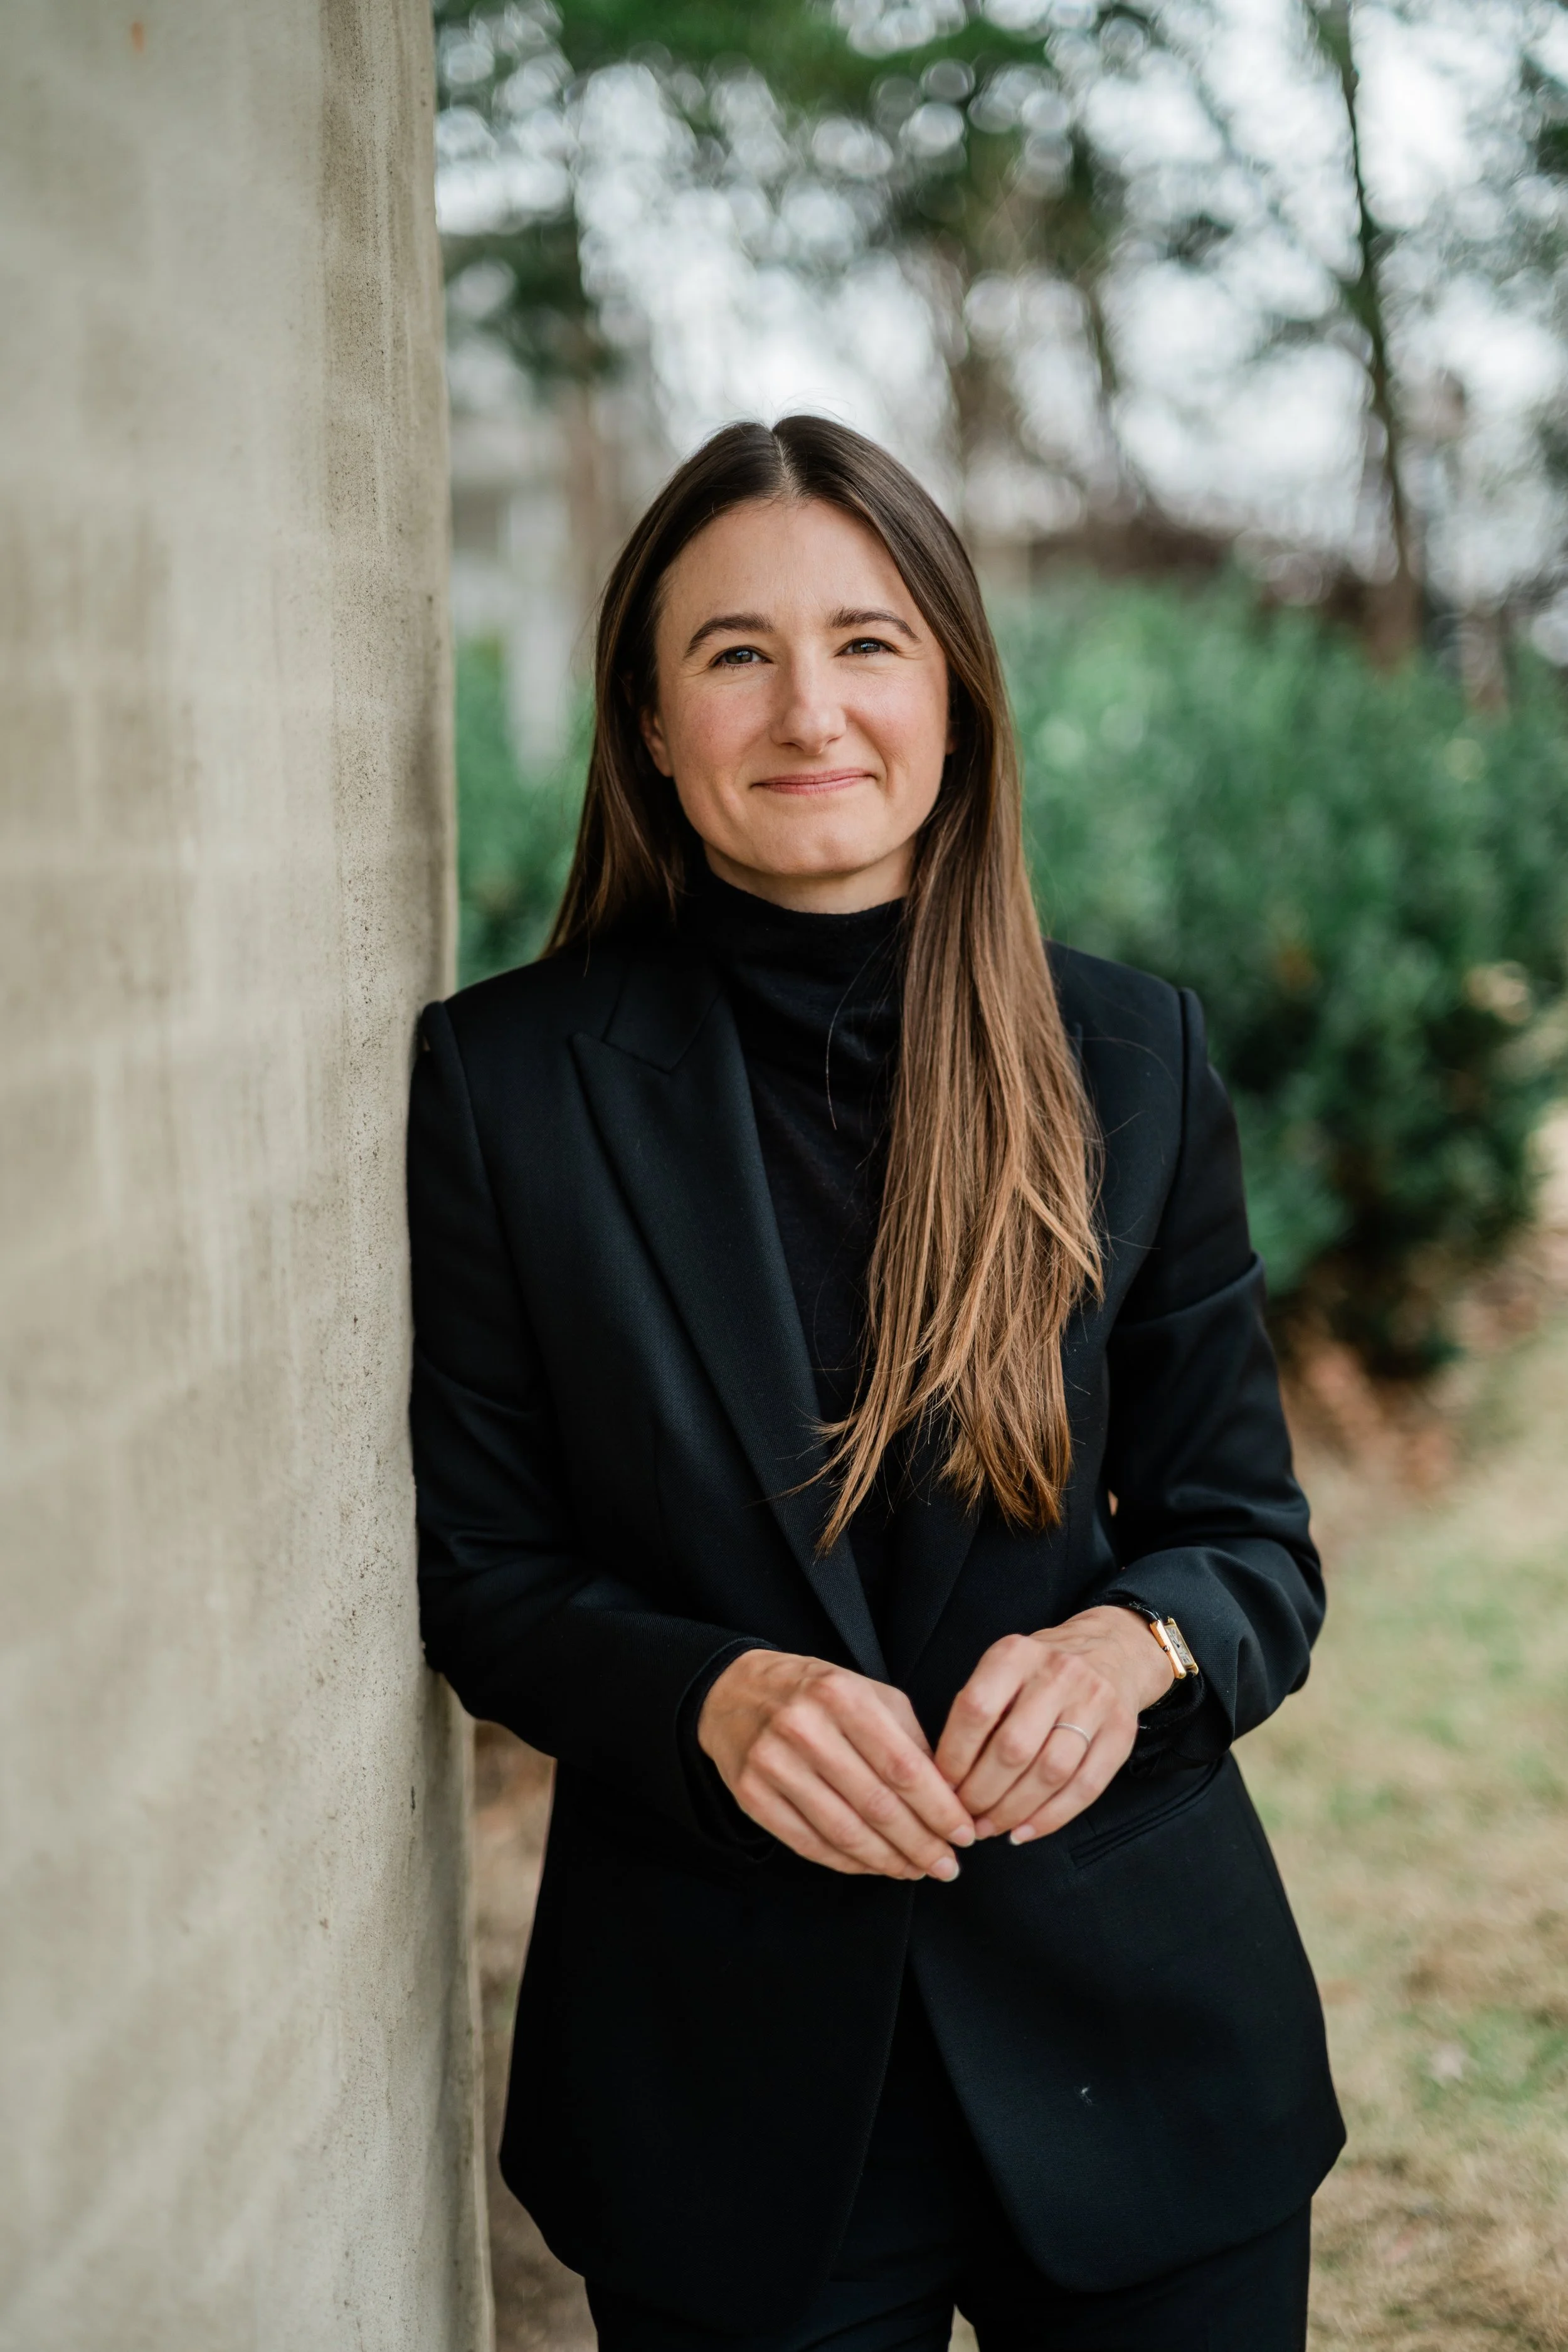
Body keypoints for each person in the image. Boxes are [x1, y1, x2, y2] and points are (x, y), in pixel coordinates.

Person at [407, 415, 1343, 2352]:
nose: (807, 707)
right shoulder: (503, 1088)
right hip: (719, 2082)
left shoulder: (1129, 1056)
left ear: (957, 699)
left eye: (870, 640)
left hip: (1142, 2051)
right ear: (651, 723)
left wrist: (1133, 1648)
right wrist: (712, 1696)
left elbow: (1247, 1540)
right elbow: (483, 1575)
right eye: (733, 652)